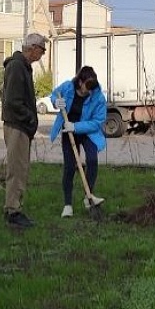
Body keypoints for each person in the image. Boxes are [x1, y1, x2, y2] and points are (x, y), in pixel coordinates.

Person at [0, 32, 48, 229]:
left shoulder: (22, 66)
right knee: (17, 170)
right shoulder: (17, 66)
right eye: (42, 50)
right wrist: (29, 118)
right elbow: (12, 101)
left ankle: (13, 207)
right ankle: (13, 211)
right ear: (32, 48)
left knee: (20, 168)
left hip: (20, 126)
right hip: (17, 125)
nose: (43, 54)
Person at [50, 65, 107, 218]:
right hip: (68, 132)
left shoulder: (98, 97)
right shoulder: (68, 87)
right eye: (87, 86)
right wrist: (56, 102)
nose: (89, 91)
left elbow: (98, 122)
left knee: (92, 160)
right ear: (80, 82)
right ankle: (67, 205)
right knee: (69, 167)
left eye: (92, 87)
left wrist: (76, 127)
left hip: (87, 132)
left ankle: (88, 197)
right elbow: (54, 95)